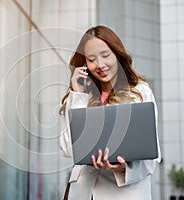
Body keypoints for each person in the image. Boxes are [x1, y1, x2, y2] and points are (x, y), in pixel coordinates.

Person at [59, 25, 161, 200]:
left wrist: (122, 168)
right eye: (91, 59)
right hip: (83, 194)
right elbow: (69, 149)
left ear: (117, 55)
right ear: (84, 64)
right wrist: (77, 93)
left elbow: (152, 158)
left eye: (105, 56)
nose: (100, 65)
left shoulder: (140, 92)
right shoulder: (81, 96)